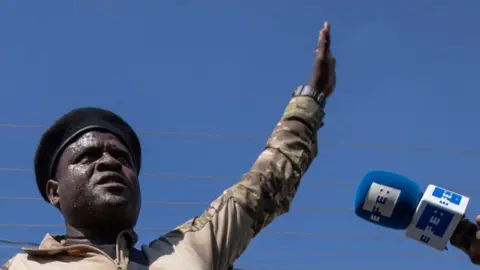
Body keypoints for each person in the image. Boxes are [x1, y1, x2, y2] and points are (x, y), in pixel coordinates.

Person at [2, 21, 336, 270]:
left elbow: (262, 187)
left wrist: (312, 98)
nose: (109, 163)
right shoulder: (21, 267)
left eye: (122, 157)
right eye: (87, 156)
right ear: (53, 191)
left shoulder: (187, 251)